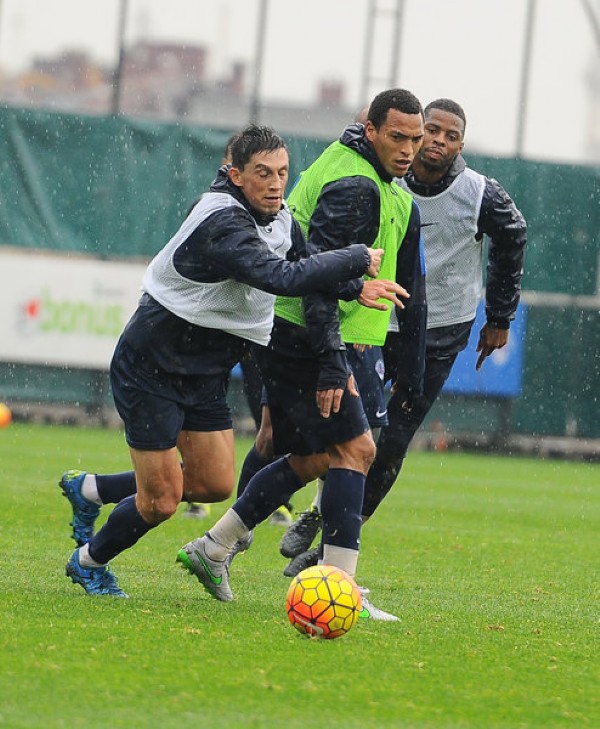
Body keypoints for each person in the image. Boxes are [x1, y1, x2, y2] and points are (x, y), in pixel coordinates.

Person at [61, 123, 397, 597]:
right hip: (152, 368)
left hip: (206, 374)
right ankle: (88, 562)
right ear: (236, 175)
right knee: (161, 501)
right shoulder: (221, 221)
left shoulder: (280, 218)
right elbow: (280, 277)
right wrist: (355, 258)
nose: (276, 184)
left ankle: (91, 490)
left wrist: (352, 287)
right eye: (263, 173)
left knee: (213, 484)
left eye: (282, 172)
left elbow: (304, 265)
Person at [176, 88, 427, 615]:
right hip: (309, 338)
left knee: (315, 457)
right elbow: (315, 279)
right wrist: (333, 360)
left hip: (307, 336)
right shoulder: (355, 185)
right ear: (372, 130)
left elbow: (325, 265)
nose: (408, 150)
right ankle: (338, 586)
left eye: (415, 139)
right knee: (357, 452)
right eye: (397, 137)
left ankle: (214, 546)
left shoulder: (373, 177)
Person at [280, 98, 528, 594]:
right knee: (342, 430)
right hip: (375, 320)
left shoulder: (480, 192)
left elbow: (514, 235)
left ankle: (331, 543)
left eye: (450, 136)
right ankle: (309, 511)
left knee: (392, 441)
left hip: (440, 329)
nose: (436, 141)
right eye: (429, 131)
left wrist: (500, 316)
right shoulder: (383, 176)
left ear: (460, 144)